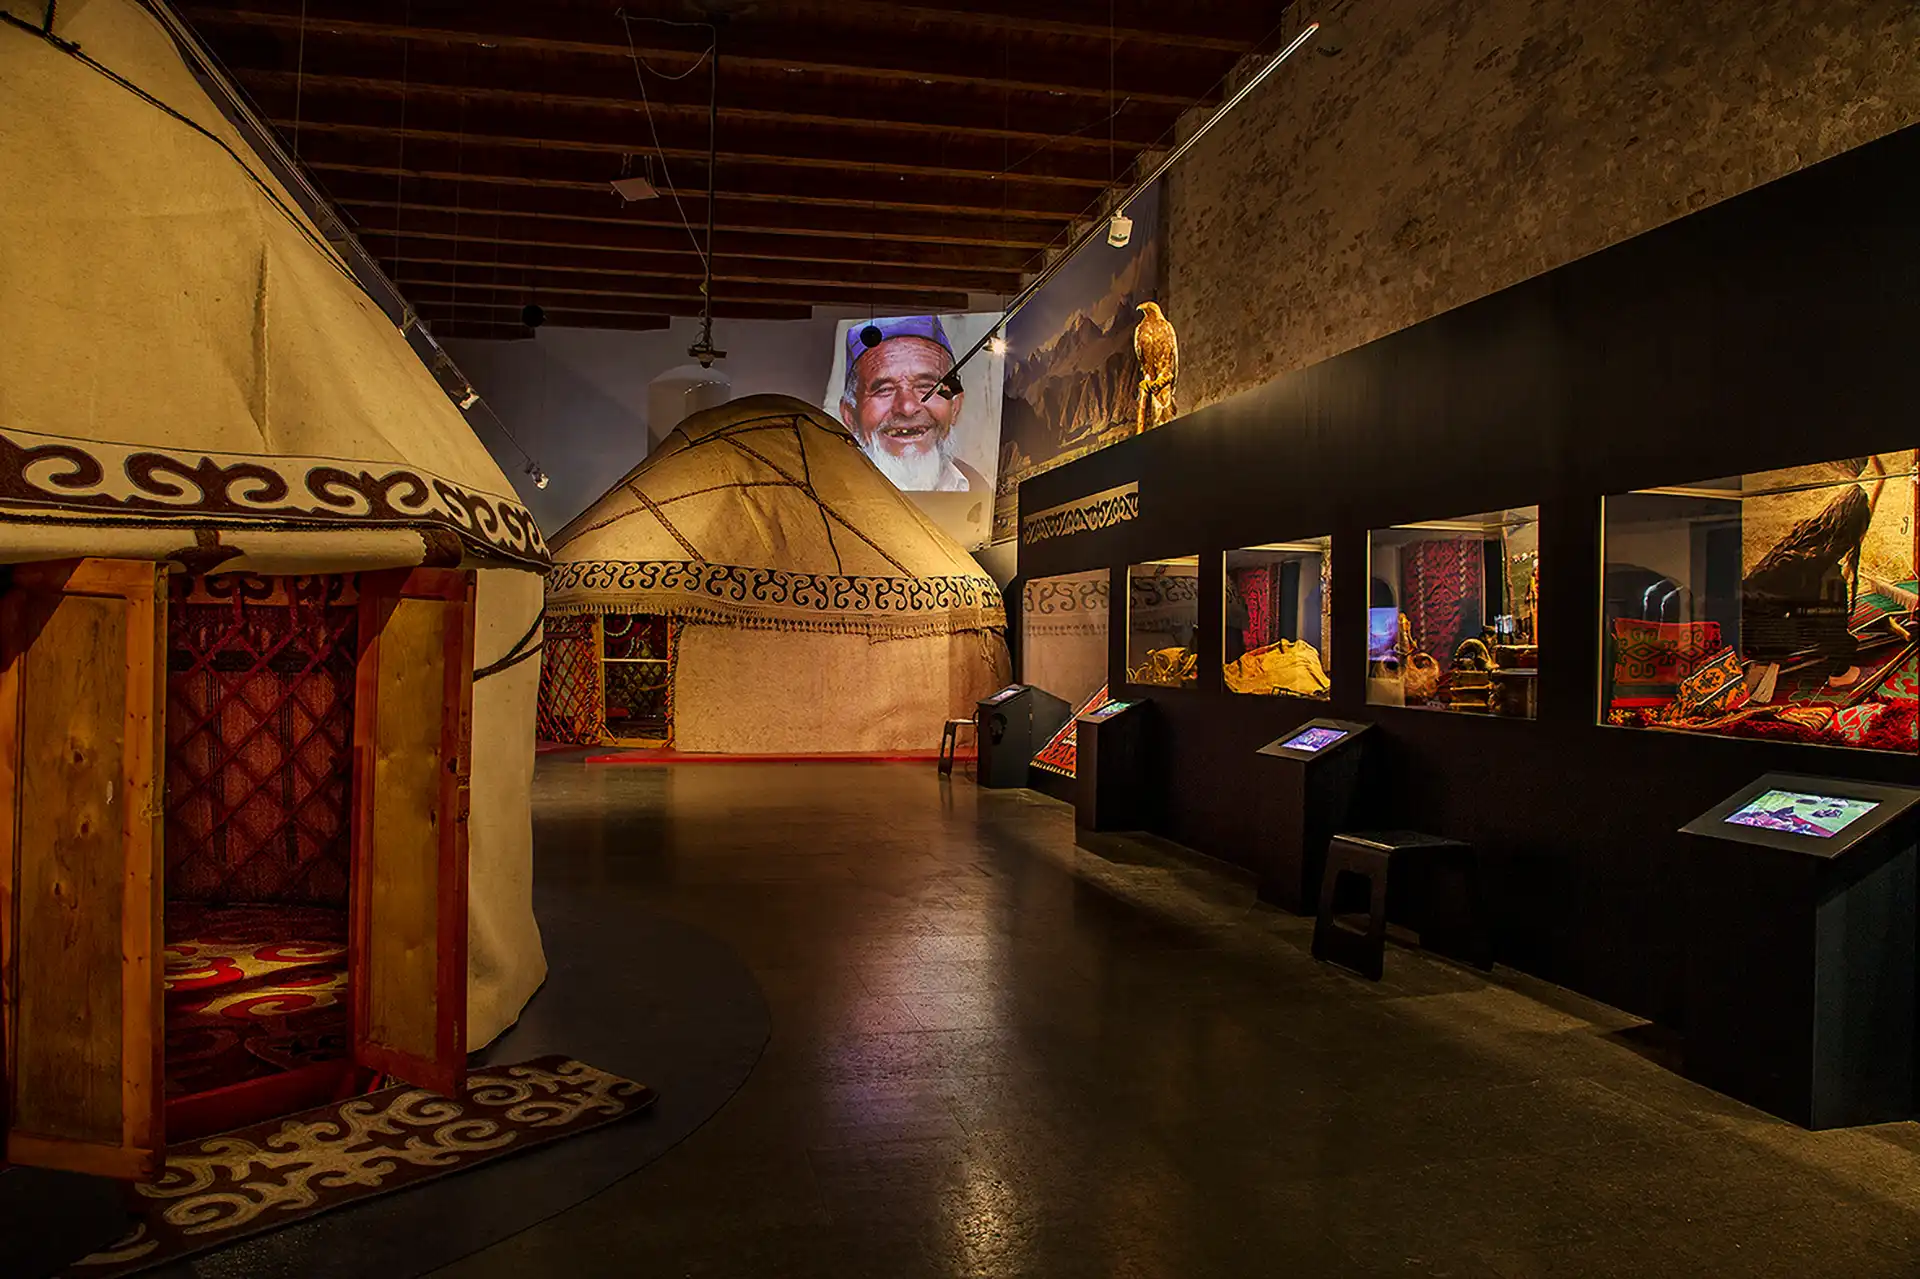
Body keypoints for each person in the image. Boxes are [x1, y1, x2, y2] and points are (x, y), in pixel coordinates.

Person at [837, 316, 986, 493]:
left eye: (926, 386)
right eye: (884, 389)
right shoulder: (827, 492)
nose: (907, 408)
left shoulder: (979, 489)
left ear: (955, 407)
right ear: (850, 416)